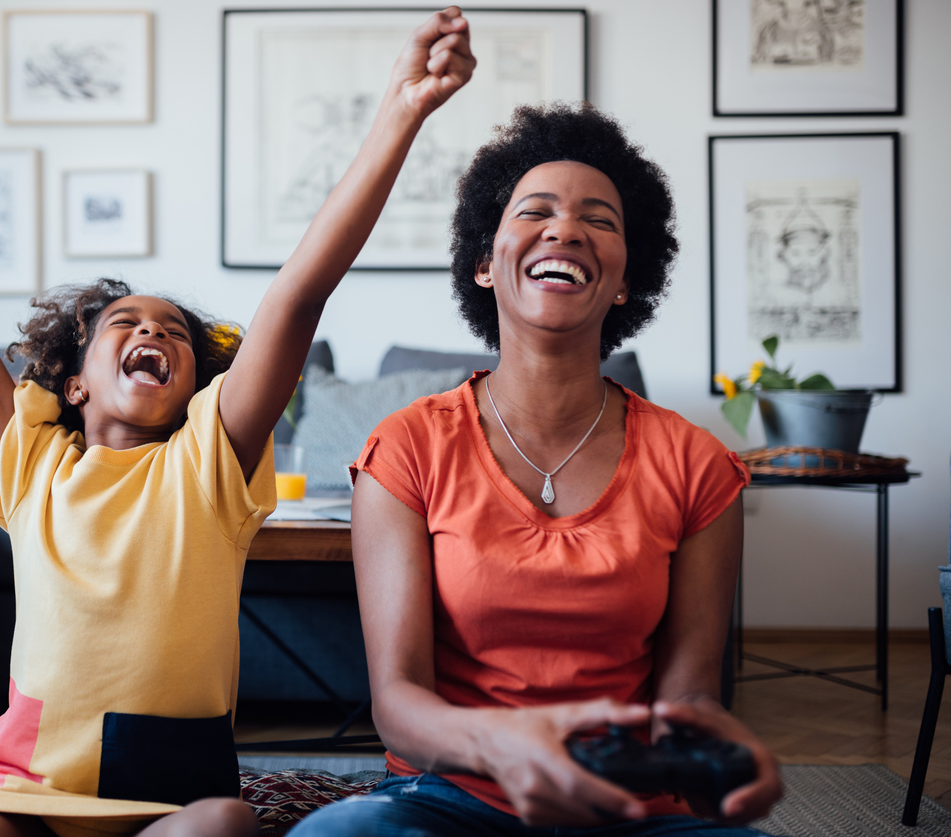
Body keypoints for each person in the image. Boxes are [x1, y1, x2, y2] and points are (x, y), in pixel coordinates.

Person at [0, 9, 475, 837]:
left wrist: (401, 109)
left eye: (174, 331)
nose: (154, 333)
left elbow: (301, 290)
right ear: (74, 382)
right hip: (23, 779)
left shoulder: (210, 462)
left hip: (170, 791)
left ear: (200, 383)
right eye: (124, 323)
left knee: (226, 826)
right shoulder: (33, 464)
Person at [290, 104, 784, 836]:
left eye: (600, 219)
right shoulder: (407, 448)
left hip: (630, 809)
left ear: (625, 280)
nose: (566, 229)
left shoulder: (699, 465)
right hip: (449, 799)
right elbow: (397, 704)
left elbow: (690, 698)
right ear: (485, 263)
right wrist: (499, 745)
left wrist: (722, 743)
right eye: (536, 211)